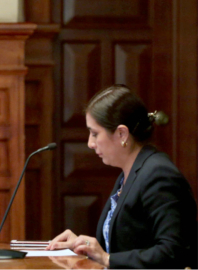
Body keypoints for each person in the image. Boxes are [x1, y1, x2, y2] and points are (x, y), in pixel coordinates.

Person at [46, 85, 197, 268]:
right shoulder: (130, 172)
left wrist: (107, 258)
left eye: (95, 134)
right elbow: (128, 243)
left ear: (122, 133)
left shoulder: (159, 175)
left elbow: (172, 252)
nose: (90, 143)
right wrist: (82, 245)